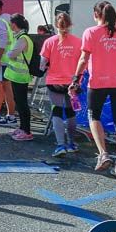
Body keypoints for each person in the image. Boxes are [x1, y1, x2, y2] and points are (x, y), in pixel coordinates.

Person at [72, 1, 116, 179]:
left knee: (94, 115)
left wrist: (76, 78)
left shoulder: (91, 32)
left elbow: (84, 58)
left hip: (99, 80)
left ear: (96, 15)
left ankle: (103, 154)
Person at [40, 12, 82, 157]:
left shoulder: (49, 42)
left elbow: (42, 64)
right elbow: (83, 62)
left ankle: (60, 145)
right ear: (70, 24)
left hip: (54, 82)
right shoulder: (78, 42)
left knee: (57, 111)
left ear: (56, 25)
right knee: (71, 112)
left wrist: (46, 67)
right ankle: (71, 143)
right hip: (73, 82)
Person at [3, 14, 34, 140]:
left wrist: (9, 54)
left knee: (22, 104)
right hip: (17, 76)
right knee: (19, 103)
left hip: (21, 76)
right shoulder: (20, 37)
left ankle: (26, 131)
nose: (10, 26)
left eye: (11, 24)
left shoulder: (23, 38)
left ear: (14, 25)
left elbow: (12, 53)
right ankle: (22, 128)